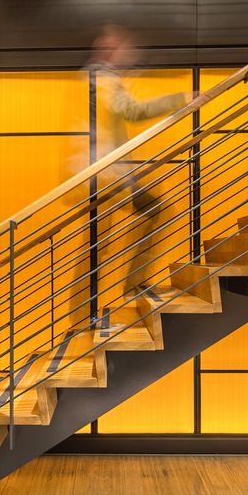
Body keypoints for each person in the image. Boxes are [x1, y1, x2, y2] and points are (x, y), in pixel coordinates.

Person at [85, 24, 191, 298]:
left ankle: (131, 286)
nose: (126, 53)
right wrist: (183, 98)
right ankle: (122, 292)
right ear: (110, 51)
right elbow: (133, 112)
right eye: (121, 48)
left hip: (108, 171)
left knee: (104, 240)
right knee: (99, 244)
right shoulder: (102, 77)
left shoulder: (102, 77)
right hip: (107, 173)